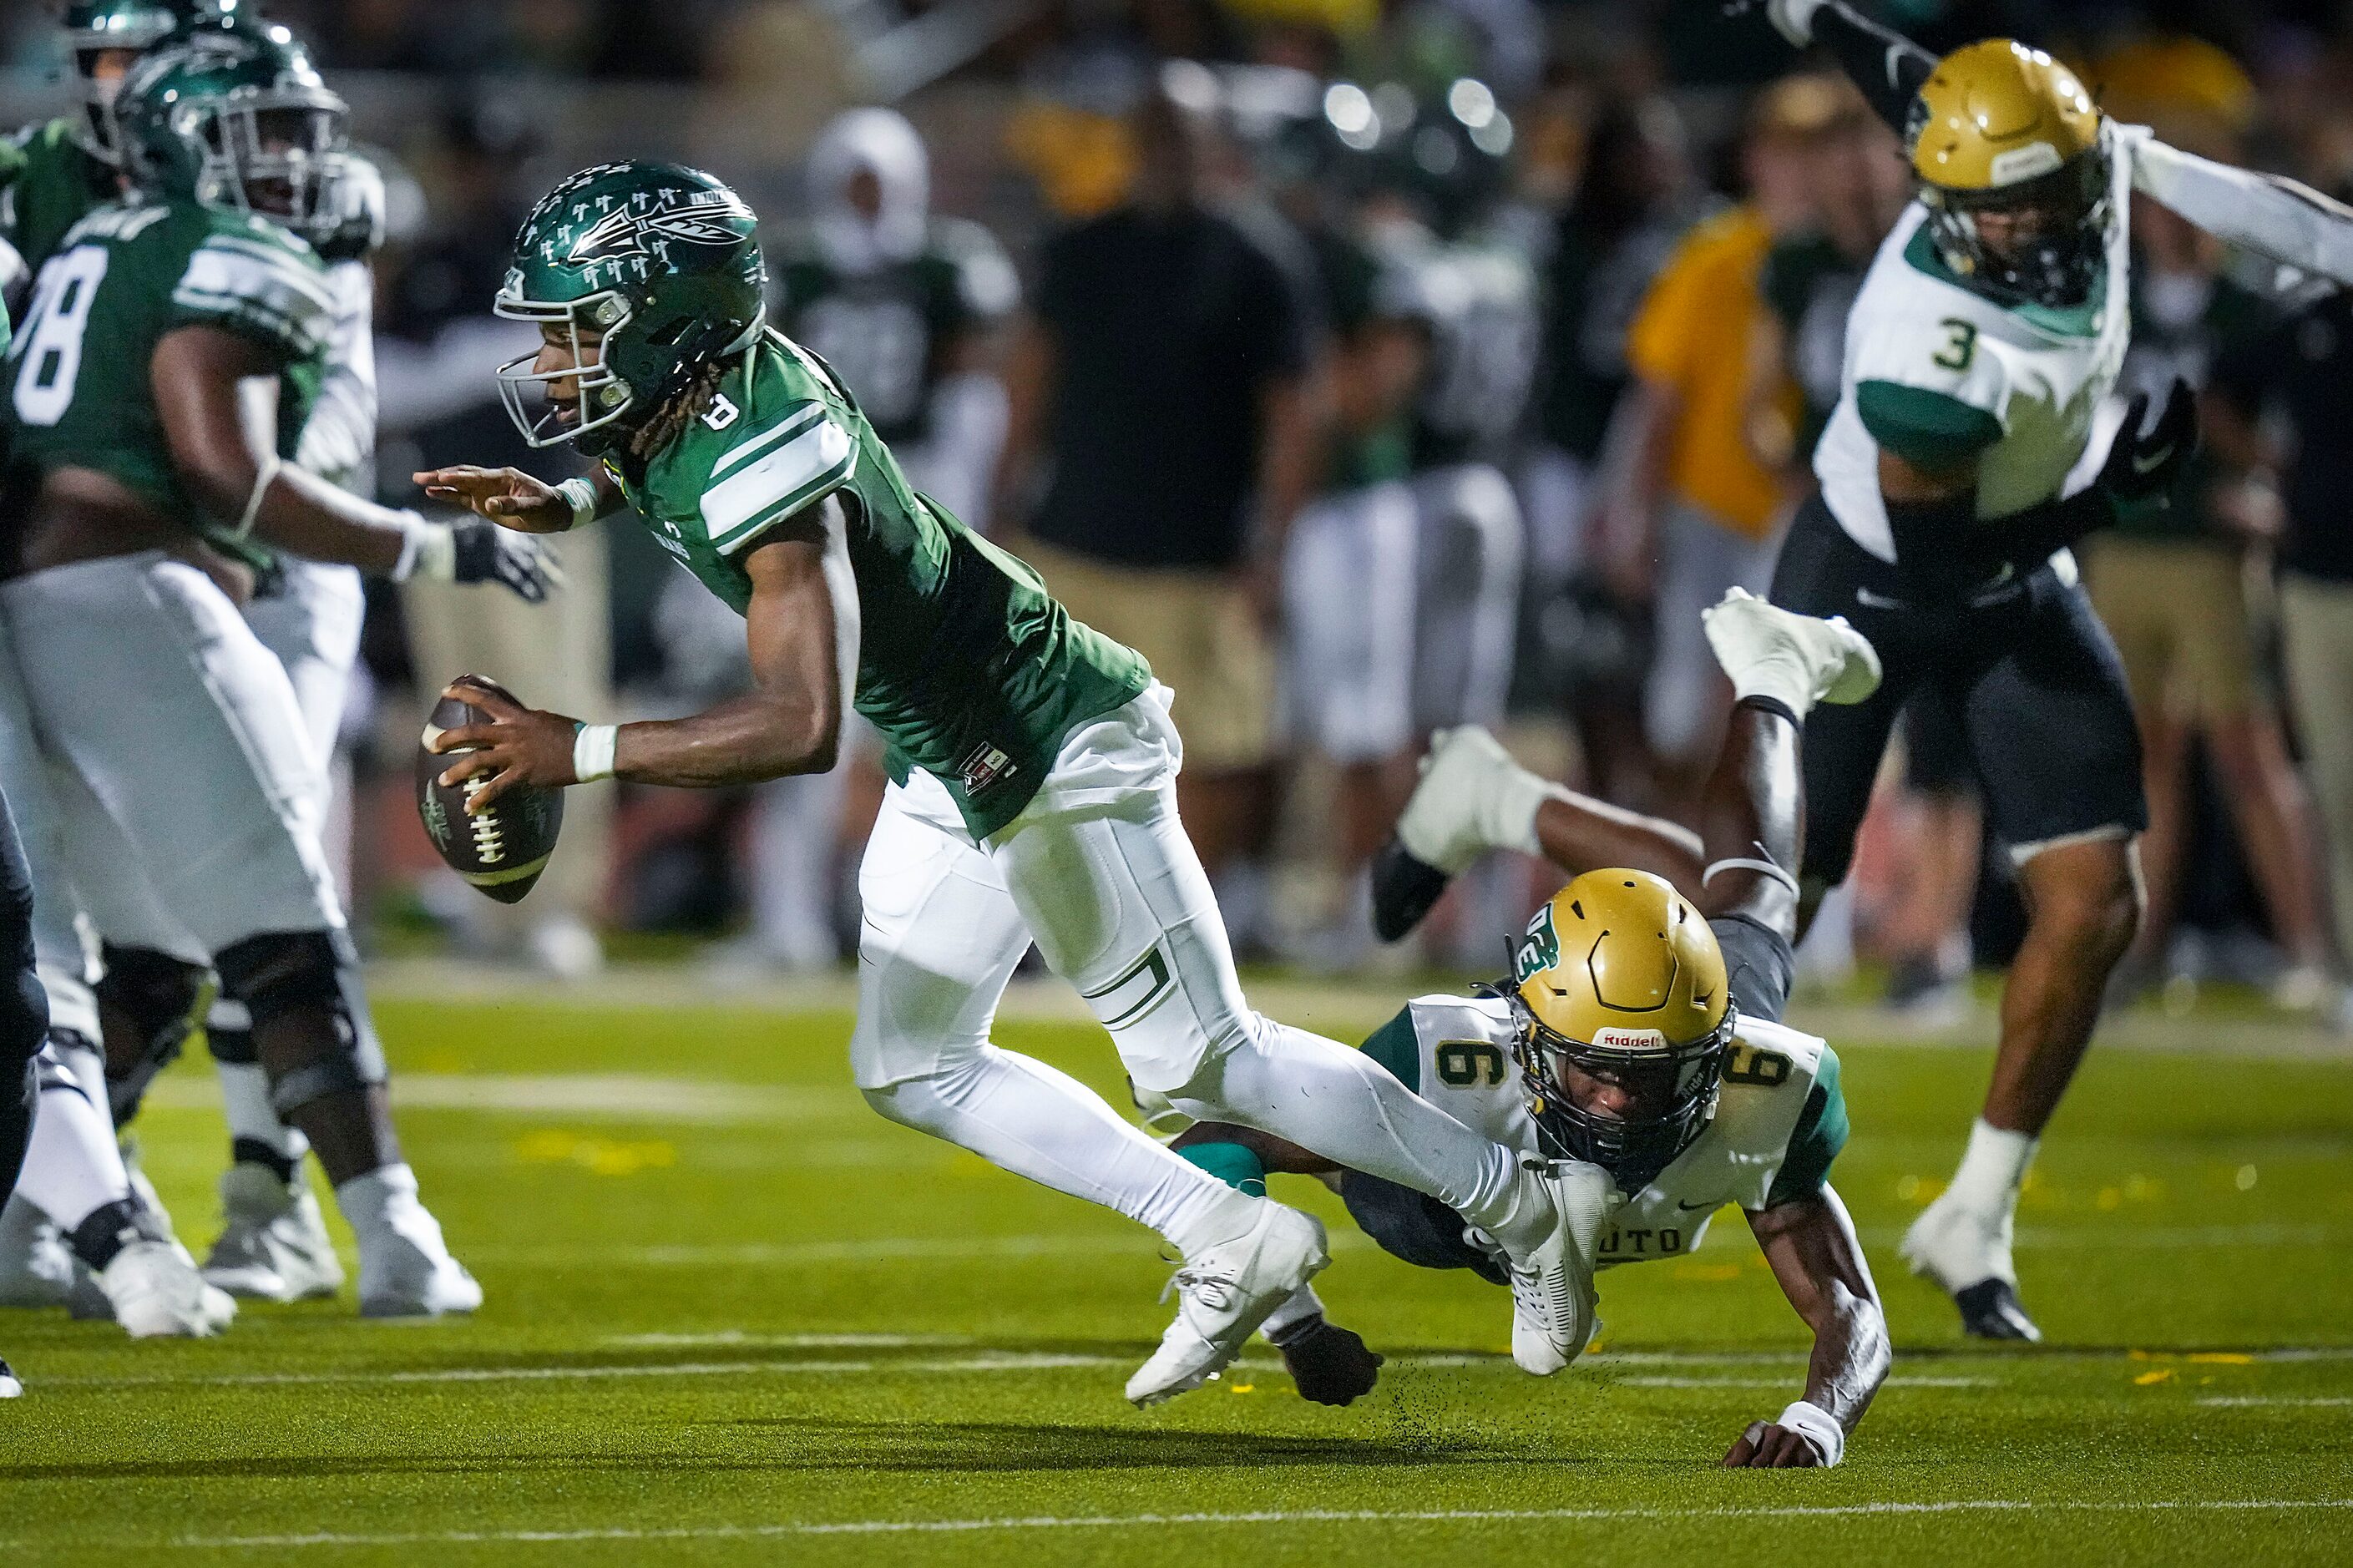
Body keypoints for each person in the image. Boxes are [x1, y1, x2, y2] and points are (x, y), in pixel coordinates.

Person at [417, 158, 1609, 1408]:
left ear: (668, 328)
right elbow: (666, 463)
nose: (557, 365)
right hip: (953, 748)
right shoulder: (704, 388)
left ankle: (1524, 1209)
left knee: (1211, 1066)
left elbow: (802, 722)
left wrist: (574, 748)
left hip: (1048, 734)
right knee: (913, 1062)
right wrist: (569, 495)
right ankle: (1228, 1232)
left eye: (576, 332)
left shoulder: (769, 477)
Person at [1748, 0, 2353, 1338]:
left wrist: (1807, 12)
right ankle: (1608, 1138)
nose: (2033, 220)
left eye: (2052, 190)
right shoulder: (1925, 347)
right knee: (1773, 901)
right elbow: (1941, 560)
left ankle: (1975, 1211)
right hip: (1874, 578)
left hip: (2018, 560)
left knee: (2089, 901)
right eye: (2001, 206)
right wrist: (2103, 501)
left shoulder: (2054, 154)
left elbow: (2279, 217)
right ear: (1947, 201)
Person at [0, 28, 555, 1318]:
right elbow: (226, 471)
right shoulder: (222, 249)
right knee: (283, 926)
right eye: (269, 136)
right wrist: (433, 546)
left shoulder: (84, 239)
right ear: (188, 140)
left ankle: (60, 1222)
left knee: (76, 948)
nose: (305, 161)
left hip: (34, 611)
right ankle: (380, 1231)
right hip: (142, 597)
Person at [1245, 589, 1886, 1465]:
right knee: (1755, 902)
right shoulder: (1441, 1066)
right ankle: (1527, 786)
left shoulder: (1755, 1084)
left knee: (1756, 908)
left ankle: (1763, 675)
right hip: (1428, 1213)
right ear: (1528, 1035)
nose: (1618, 1102)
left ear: (1707, 1044)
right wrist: (1290, 1321)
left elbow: (1851, 1308)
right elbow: (1224, 1137)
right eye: (1592, 1070)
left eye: (1650, 1070)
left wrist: (1819, 1420)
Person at [994, 82, 1319, 893]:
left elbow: (1291, 419)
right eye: (1153, 134)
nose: (1166, 154)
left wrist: (1273, 548)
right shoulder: (1081, 250)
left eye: (1181, 136)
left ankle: (1187, 917)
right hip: (1076, 541)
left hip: (1199, 553)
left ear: (1214, 144)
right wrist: (1000, 508)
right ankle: (1064, 920)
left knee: (1207, 756)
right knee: (1054, 746)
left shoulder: (1254, 259)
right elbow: (1031, 383)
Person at [1599, 75, 1842, 807]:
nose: (1801, 171)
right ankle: (1676, 853)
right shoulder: (1717, 254)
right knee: (1684, 703)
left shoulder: (1850, 258)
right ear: (1757, 159)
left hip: (1807, 512)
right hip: (1709, 503)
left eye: (1816, 153)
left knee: (1785, 705)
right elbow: (1660, 398)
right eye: (1787, 151)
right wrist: (1633, 510)